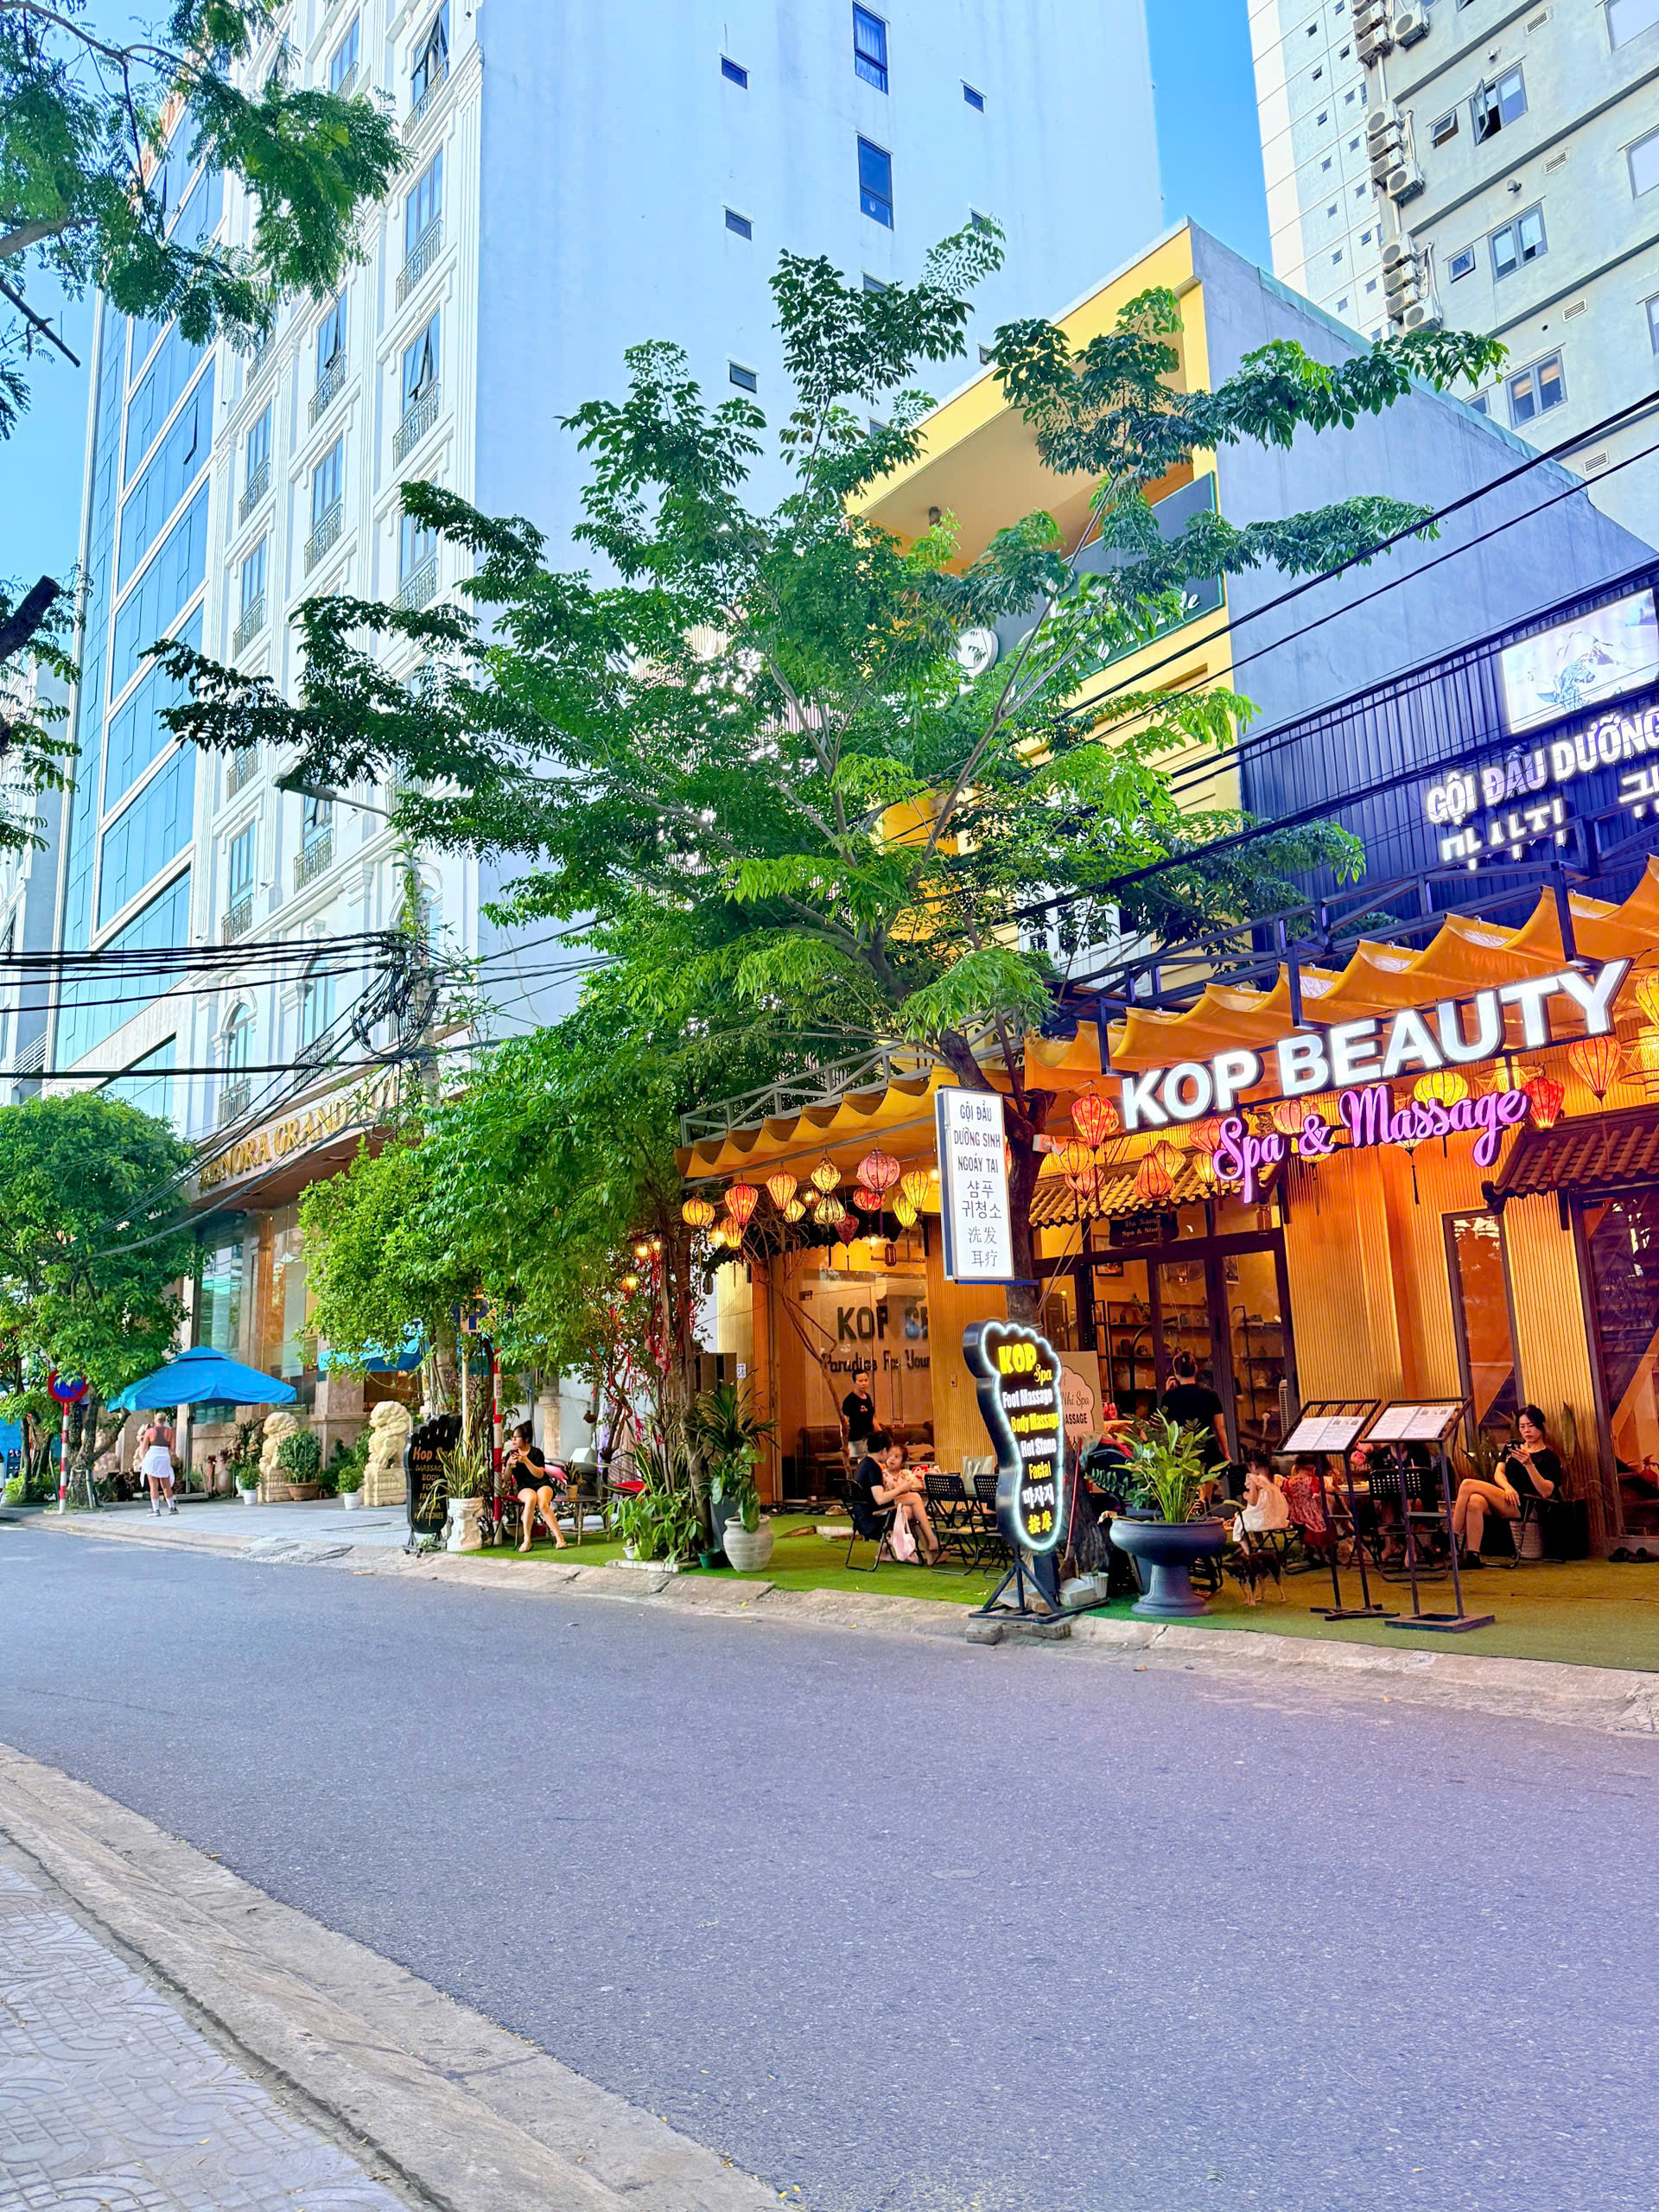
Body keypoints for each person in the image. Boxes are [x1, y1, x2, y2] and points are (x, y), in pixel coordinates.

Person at [1451, 1405, 1561, 1566]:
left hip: (1522, 1503)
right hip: (1505, 1495)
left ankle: (1451, 1540)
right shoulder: (1513, 1447)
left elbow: (1546, 1491)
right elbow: (1499, 1472)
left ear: (1540, 1426)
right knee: (1474, 1501)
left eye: (1530, 1425)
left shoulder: (1549, 1457)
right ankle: (1473, 1555)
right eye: (1522, 1426)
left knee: (1467, 1484)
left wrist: (1529, 1465)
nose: (1526, 1431)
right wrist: (1508, 1488)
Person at [852, 1431, 939, 1565]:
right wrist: (901, 1488)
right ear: (883, 1451)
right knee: (913, 1507)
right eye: (889, 1452)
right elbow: (880, 1499)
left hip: (863, 1515)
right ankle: (931, 1544)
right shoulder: (873, 1468)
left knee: (914, 1499)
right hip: (872, 1518)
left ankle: (930, 1548)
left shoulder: (864, 1464)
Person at [1160, 1351, 1228, 1471]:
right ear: (1196, 1369)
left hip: (1182, 1455)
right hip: (1208, 1452)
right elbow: (1220, 1427)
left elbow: (1166, 1428)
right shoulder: (1211, 1394)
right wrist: (1226, 1453)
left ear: (1176, 1373)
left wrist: (1168, 1394)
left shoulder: (1169, 1397)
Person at [505, 1420, 566, 1552]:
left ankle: (560, 1539)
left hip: (542, 1484)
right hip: (524, 1487)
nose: (513, 1440)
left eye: (516, 1437)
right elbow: (506, 1478)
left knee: (543, 1504)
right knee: (531, 1499)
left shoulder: (536, 1453)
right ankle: (527, 1540)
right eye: (512, 1437)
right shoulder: (511, 1455)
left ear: (526, 1439)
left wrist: (526, 1460)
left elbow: (539, 1474)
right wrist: (508, 1465)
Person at [140, 1414, 178, 1516]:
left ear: (155, 1420)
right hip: (164, 1457)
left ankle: (156, 1510)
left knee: (153, 1485)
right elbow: (172, 1449)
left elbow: (143, 1449)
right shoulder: (170, 1432)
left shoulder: (150, 1431)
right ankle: (172, 1507)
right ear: (165, 1420)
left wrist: (142, 1460)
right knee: (166, 1484)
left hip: (152, 1457)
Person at [840, 1377, 877, 1459]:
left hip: (869, 1440)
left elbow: (872, 1419)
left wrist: (882, 1435)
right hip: (856, 1441)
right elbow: (844, 1424)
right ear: (855, 1382)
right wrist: (845, 1444)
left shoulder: (868, 1397)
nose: (864, 1383)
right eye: (860, 1381)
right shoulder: (849, 1400)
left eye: (866, 1380)